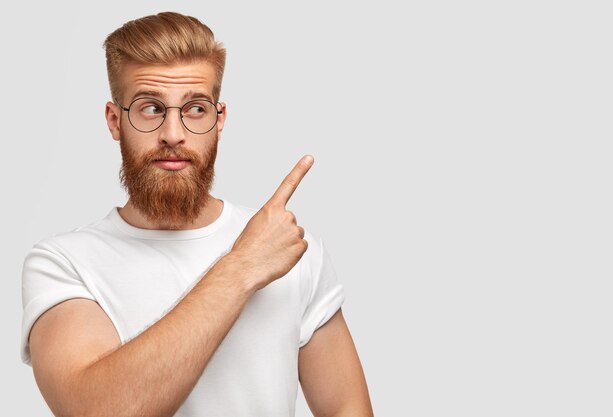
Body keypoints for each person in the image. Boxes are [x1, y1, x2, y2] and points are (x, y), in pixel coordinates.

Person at [20, 11, 373, 417]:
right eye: (151, 109)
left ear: (219, 120)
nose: (173, 133)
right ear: (115, 121)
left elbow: (348, 408)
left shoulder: (290, 248)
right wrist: (241, 268)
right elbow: (99, 411)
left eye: (195, 109)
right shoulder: (63, 264)